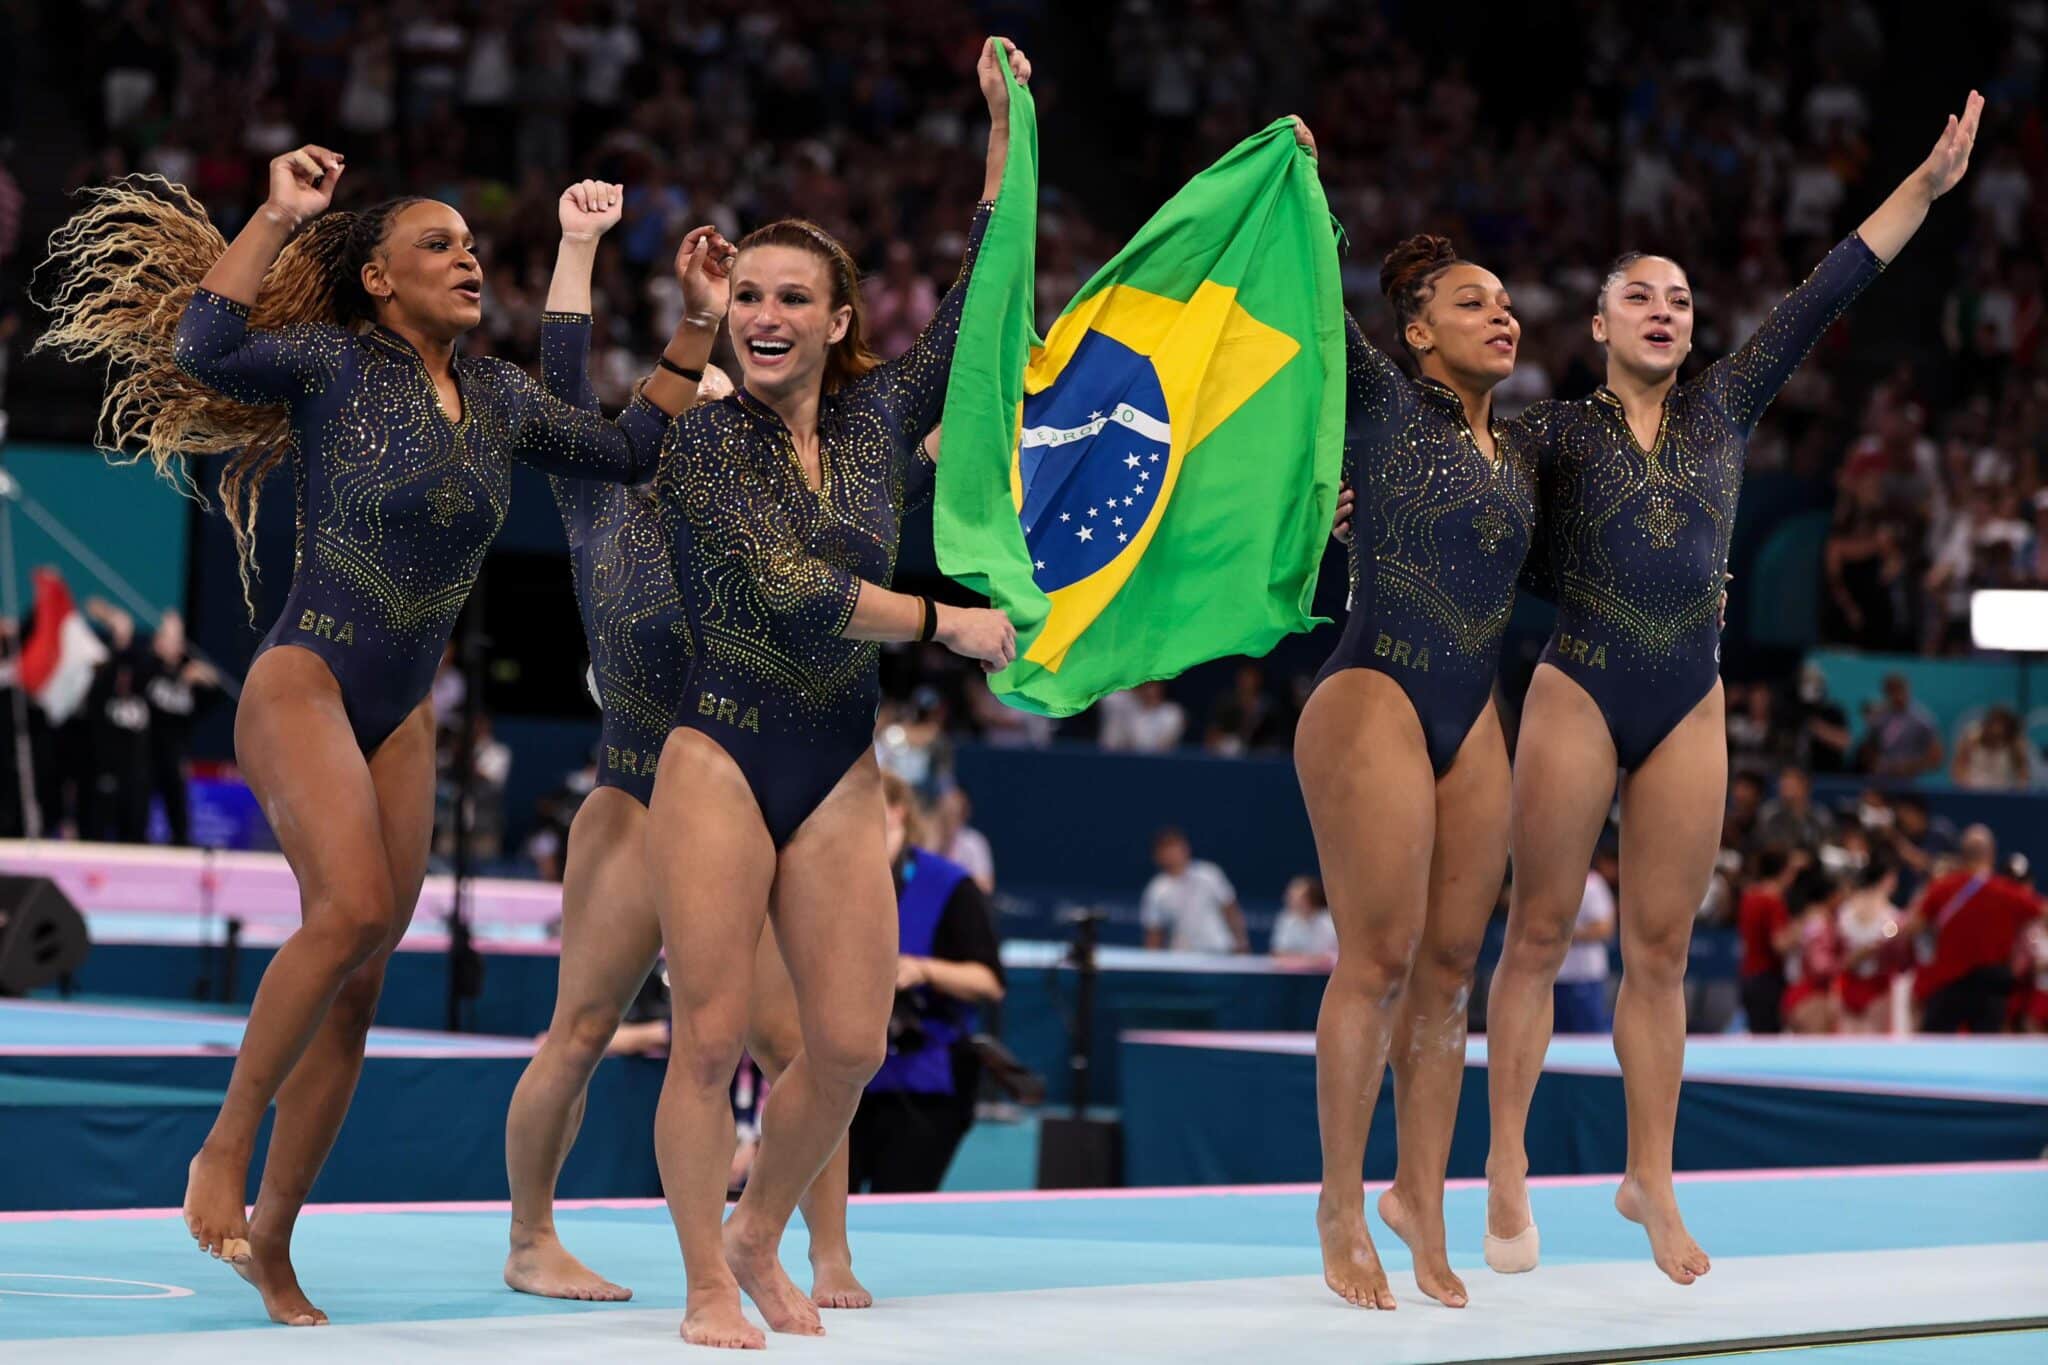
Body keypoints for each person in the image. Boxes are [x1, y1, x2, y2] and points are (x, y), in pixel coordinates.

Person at [33, 145, 708, 1327]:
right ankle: (222, 1148)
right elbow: (204, 348)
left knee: (361, 986)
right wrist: (279, 216)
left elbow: (627, 449)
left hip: (399, 715)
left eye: (469, 244)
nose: (466, 257)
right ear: (381, 280)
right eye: (438, 244)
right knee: (342, 912)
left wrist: (695, 327)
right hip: (304, 681)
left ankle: (276, 1245)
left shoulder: (495, 396)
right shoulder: (336, 364)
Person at [1485, 92, 1982, 1286]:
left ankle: (1647, 1177)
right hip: (1580, 685)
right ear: (1598, 323)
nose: (1663, 310)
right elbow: (1459, 495)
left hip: (1688, 702)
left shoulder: (1722, 404)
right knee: (1542, 934)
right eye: (1638, 297)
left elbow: (1828, 288)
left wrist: (1920, 186)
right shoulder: (1550, 433)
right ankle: (1501, 1166)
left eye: (1678, 299)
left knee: (1659, 951)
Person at [638, 40, 1027, 1350]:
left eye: (792, 297)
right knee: (706, 1041)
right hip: (722, 752)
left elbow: (980, 288)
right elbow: (795, 589)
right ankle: (705, 1278)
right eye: (747, 292)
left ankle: (763, 1228)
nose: (763, 314)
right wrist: (947, 624)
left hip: (840, 761)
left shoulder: (875, 427)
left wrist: (1004, 122)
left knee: (851, 1044)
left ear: (841, 318)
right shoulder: (704, 443)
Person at [500, 180, 869, 1310]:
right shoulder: (599, 501)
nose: (700, 422)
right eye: (686, 403)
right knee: (581, 1027)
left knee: (797, 1039)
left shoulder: (766, 500)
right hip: (638, 787)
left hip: (756, 783)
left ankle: (826, 1248)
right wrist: (577, 245)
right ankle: (529, 1236)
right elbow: (566, 374)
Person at [1292, 122, 1539, 1310]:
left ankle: (1419, 1207)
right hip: (1373, 688)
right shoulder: (1385, 408)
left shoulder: (1527, 453)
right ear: (1417, 331)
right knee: (1379, 958)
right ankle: (1340, 1208)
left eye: (1505, 302)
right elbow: (1307, 285)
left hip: (1472, 709)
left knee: (1448, 972)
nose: (1501, 316)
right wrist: (1300, 175)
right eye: (1470, 302)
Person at [848, 773, 1005, 1193]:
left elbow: (989, 981)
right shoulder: (827, 882)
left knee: (896, 1206)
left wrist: (921, 969)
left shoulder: (949, 884)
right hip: (840, 1074)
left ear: (898, 809)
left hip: (924, 1080)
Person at [1908, 825, 2042, 1033]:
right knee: (1987, 1054)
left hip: (1949, 986)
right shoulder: (2007, 892)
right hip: (1991, 990)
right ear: (1991, 854)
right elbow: (2042, 912)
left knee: (1934, 1049)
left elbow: (1914, 927)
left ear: (1962, 854)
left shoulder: (1942, 889)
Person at [1139, 827, 1247, 954]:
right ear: (1157, 856)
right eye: (1166, 849)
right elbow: (1154, 933)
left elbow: (1231, 911)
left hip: (1220, 952)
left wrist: (1242, 945)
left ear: (1185, 848)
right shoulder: (1156, 890)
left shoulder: (1209, 874)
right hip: (1183, 957)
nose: (1172, 853)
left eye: (1175, 847)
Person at [1737, 848, 1809, 1034]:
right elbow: (1779, 944)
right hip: (1766, 978)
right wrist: (1802, 930)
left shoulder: (1749, 896)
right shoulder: (1772, 900)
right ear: (1784, 872)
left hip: (1748, 974)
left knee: (1757, 1032)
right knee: (1767, 1035)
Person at [1834, 860, 1903, 1033]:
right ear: (1888, 878)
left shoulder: (1845, 910)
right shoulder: (1892, 915)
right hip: (1871, 984)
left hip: (1854, 982)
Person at [1554, 848, 1617, 1034]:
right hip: (1555, 976)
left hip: (1584, 975)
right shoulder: (1553, 884)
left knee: (1588, 1034)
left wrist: (1567, 935)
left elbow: (1605, 928)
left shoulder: (1593, 884)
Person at [1855, 673, 1945, 778]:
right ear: (1886, 693)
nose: (1897, 696)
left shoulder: (1923, 720)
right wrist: (1878, 764)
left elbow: (1937, 757)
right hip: (1882, 780)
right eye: (1891, 691)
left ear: (1907, 689)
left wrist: (1910, 767)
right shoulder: (1879, 719)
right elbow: (1867, 750)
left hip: (1913, 782)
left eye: (1900, 690)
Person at [1950, 705, 2032, 789]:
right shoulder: (1972, 738)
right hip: (1973, 792)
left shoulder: (2014, 745)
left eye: (2000, 733)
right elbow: (1959, 767)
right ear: (1987, 725)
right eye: (1993, 726)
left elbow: (2023, 774)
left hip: (2003, 794)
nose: (1996, 731)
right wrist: (1964, 786)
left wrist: (2019, 789)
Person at [1269, 875, 1338, 959]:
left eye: (1297, 897)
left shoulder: (1328, 920)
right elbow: (1277, 952)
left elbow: (1330, 955)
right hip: (1293, 970)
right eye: (1290, 896)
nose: (1290, 900)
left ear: (1311, 899)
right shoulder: (1286, 919)